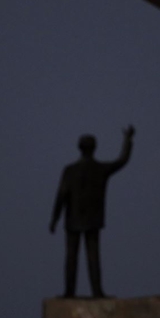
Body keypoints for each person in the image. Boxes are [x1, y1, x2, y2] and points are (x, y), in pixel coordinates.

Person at [50, 125, 135, 298]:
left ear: (79, 148)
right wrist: (128, 140)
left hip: (73, 219)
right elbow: (122, 160)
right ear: (94, 148)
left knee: (72, 257)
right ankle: (96, 291)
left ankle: (69, 292)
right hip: (92, 219)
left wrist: (55, 219)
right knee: (93, 256)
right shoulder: (100, 169)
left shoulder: (70, 170)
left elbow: (61, 196)